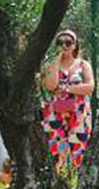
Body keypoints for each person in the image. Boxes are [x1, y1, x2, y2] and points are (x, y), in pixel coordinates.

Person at [40, 29, 94, 171]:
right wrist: (56, 60)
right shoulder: (50, 65)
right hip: (55, 112)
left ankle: (76, 176)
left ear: (75, 45)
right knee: (56, 145)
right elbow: (50, 86)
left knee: (78, 145)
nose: (64, 46)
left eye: (68, 42)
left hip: (79, 112)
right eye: (60, 43)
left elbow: (89, 87)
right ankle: (58, 177)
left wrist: (67, 89)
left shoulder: (83, 65)